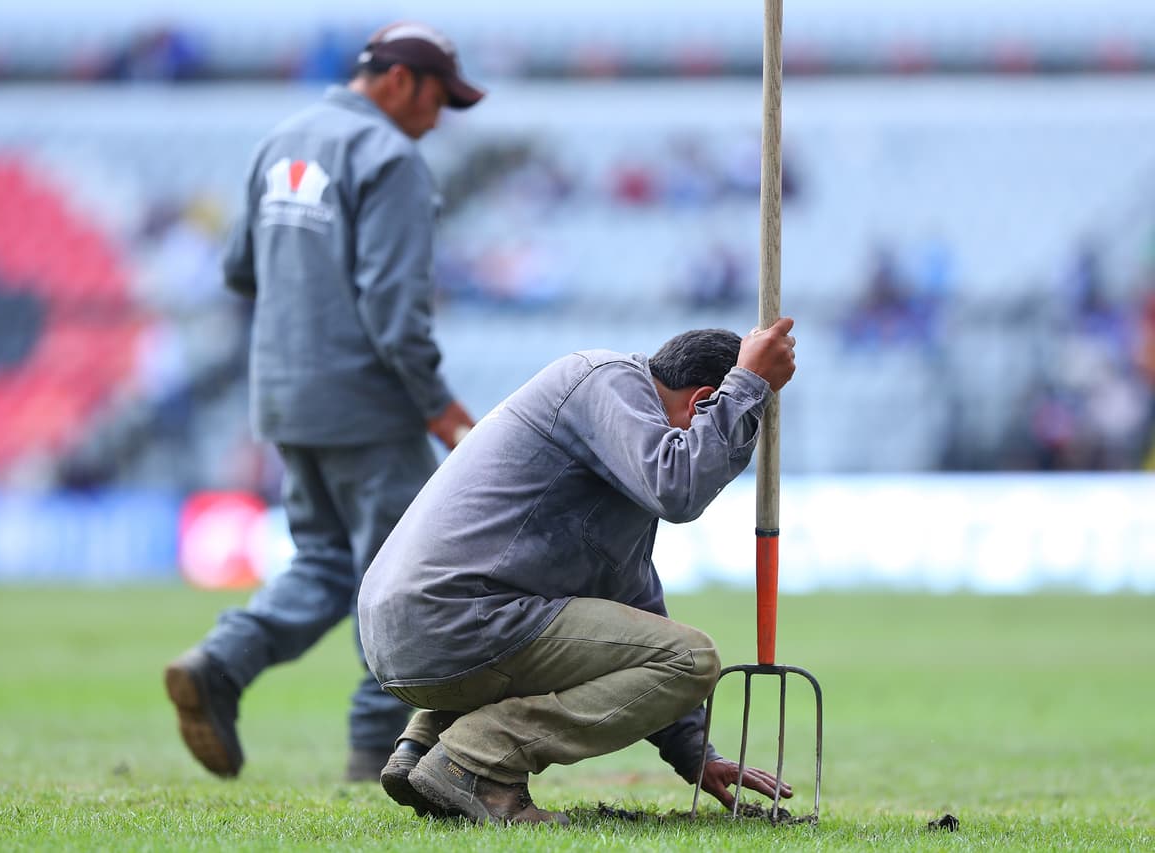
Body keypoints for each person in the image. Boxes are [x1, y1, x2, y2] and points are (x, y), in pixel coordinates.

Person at [164, 21, 484, 783]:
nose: (438, 120)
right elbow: (393, 309)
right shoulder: (390, 159)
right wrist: (439, 407)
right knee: (403, 578)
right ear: (401, 81)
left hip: (281, 393)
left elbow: (240, 269)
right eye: (439, 99)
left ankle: (221, 662)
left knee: (324, 565)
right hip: (367, 403)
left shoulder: (282, 140)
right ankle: (378, 743)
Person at [358, 319, 799, 824]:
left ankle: (427, 746)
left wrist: (696, 752)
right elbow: (680, 488)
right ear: (702, 403)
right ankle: (476, 759)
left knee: (665, 651)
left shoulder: (618, 451)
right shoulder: (605, 381)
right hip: (451, 620)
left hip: (425, 630)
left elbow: (632, 607)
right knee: (693, 660)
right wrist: (746, 387)